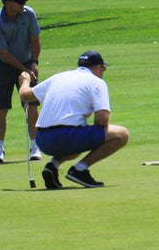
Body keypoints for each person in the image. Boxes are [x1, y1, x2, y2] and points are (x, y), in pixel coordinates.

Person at [19, 50, 129, 188]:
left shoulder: (59, 77)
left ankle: (53, 166)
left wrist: (25, 81)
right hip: (68, 137)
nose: (102, 72)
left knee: (79, 136)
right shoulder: (97, 82)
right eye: (103, 69)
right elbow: (102, 119)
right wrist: (94, 133)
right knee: (122, 134)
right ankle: (80, 170)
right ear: (97, 67)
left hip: (42, 139)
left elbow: (25, 95)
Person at [0, 0, 41, 164]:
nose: (23, 4)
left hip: (27, 62)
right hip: (4, 66)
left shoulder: (29, 14)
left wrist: (34, 62)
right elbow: (4, 53)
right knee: (1, 108)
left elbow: (35, 40)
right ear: (8, 4)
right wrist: (24, 70)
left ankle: (35, 146)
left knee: (32, 105)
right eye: (20, 2)